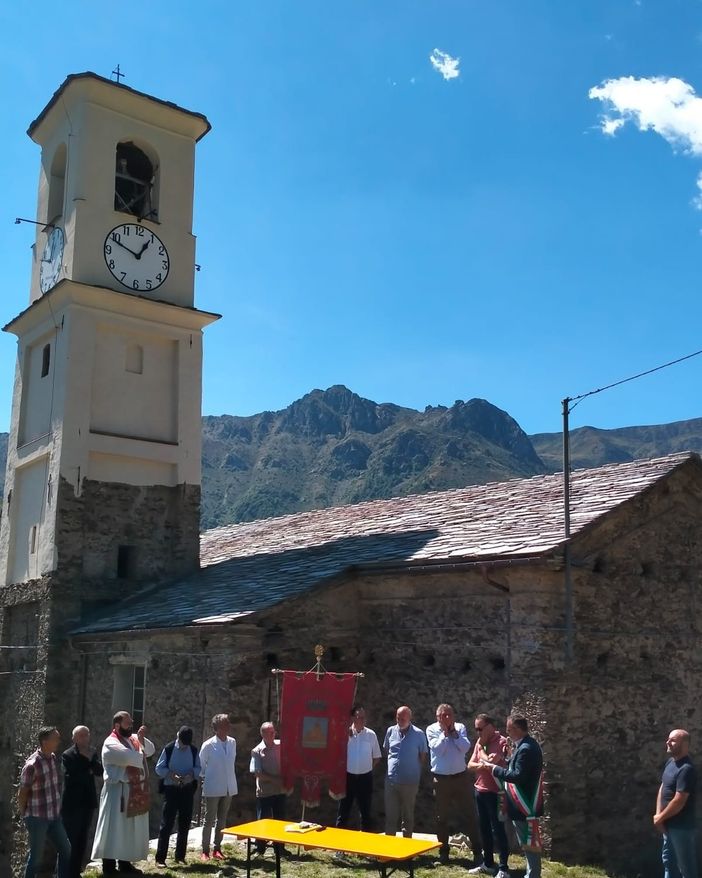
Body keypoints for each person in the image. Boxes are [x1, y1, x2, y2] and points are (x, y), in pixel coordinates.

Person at [91, 711, 155, 875]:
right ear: (117, 725)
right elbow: (131, 758)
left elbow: (150, 750)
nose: (131, 725)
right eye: (127, 723)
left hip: (132, 790)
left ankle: (125, 864)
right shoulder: (110, 743)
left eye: (131, 722)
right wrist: (140, 746)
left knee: (127, 830)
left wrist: (141, 741)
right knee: (112, 829)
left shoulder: (132, 739)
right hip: (116, 792)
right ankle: (109, 867)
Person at [480, 714, 543, 878]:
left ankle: (533, 875)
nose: (507, 733)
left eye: (509, 730)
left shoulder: (526, 748)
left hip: (524, 803)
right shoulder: (526, 745)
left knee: (529, 844)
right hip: (523, 802)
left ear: (517, 729)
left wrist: (494, 769)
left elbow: (517, 776)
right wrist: (508, 758)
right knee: (527, 843)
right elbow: (518, 769)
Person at [426, 703, 483, 866]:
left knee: (470, 815)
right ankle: (443, 853)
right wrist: (445, 733)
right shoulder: (431, 730)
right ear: (438, 717)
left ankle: (477, 852)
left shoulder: (460, 727)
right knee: (441, 818)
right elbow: (438, 750)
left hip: (460, 778)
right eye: (443, 715)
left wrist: (454, 734)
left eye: (449, 714)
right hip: (441, 780)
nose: (447, 718)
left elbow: (465, 747)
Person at [19, 726, 72, 878]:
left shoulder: (53, 758)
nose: (59, 741)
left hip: (54, 816)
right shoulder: (32, 765)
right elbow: (23, 792)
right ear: (44, 741)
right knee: (35, 858)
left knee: (66, 850)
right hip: (37, 817)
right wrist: (24, 814)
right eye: (55, 738)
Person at [467, 714, 510, 878]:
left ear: (490, 726)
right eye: (476, 729)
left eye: (480, 729)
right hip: (480, 790)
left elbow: (495, 762)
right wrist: (483, 763)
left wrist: (483, 757)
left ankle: (504, 868)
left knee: (498, 829)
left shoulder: (502, 742)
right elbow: (470, 765)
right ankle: (488, 863)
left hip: (496, 792)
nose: (478, 732)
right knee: (484, 829)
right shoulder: (480, 743)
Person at [154, 726, 201, 867]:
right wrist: (170, 775)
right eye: (182, 743)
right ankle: (160, 858)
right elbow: (159, 768)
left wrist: (191, 774)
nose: (183, 746)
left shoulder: (193, 750)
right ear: (177, 737)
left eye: (186, 744)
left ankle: (180, 856)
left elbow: (199, 768)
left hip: (187, 790)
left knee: (184, 823)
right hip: (171, 790)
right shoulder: (169, 749)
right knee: (167, 824)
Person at [654, 728, 698, 878]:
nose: (668, 742)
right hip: (668, 825)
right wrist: (659, 815)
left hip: (681, 827)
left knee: (686, 869)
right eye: (668, 739)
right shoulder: (670, 763)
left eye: (673, 740)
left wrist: (660, 818)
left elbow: (679, 800)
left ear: (684, 744)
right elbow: (663, 787)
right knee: (669, 864)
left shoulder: (687, 769)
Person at [61, 725, 103, 878]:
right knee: (70, 840)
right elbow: (71, 778)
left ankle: (76, 872)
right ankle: (65, 874)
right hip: (72, 805)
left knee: (82, 840)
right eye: (81, 736)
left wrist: (89, 761)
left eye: (87, 735)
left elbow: (99, 771)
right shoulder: (68, 755)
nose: (85, 738)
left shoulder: (92, 752)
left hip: (87, 803)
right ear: (74, 738)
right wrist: (87, 767)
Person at [335, 704, 382, 836]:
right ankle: (338, 843)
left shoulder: (371, 735)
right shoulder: (345, 734)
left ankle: (364, 844)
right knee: (343, 812)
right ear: (353, 718)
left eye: (363, 717)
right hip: (348, 777)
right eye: (359, 717)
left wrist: (366, 768)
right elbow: (337, 755)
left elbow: (377, 757)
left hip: (365, 778)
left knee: (365, 812)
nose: (362, 720)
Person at [383, 705, 428, 838]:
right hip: (391, 781)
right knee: (391, 816)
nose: (399, 721)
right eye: (398, 718)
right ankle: (389, 847)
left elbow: (422, 756)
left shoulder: (419, 734)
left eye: (403, 718)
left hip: (410, 783)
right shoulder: (390, 731)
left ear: (410, 718)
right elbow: (387, 751)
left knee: (407, 816)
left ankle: (406, 845)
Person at [199, 713, 238, 861]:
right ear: (217, 727)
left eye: (228, 723)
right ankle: (205, 850)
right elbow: (201, 766)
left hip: (228, 786)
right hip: (213, 787)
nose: (228, 726)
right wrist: (207, 778)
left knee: (222, 819)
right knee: (209, 820)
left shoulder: (232, 742)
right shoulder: (208, 745)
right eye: (225, 724)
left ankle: (217, 848)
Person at [250, 722, 288, 857]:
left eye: (274, 732)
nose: (273, 734)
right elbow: (257, 773)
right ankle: (260, 848)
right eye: (270, 732)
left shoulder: (281, 745)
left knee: (280, 821)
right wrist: (276, 780)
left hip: (280, 792)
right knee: (263, 821)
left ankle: (279, 848)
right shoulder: (257, 751)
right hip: (265, 793)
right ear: (263, 734)